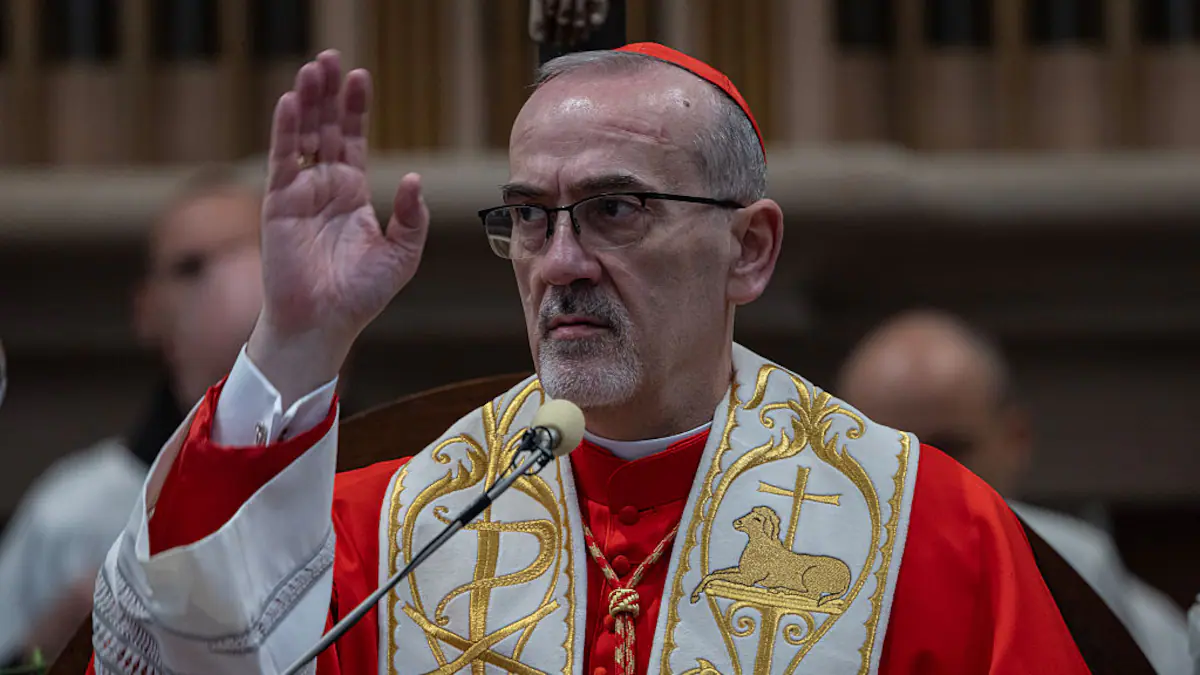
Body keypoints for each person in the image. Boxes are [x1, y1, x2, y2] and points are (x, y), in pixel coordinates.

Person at [86, 46, 1090, 675]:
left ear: (749, 249)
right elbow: (178, 651)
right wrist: (297, 342)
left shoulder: (925, 530)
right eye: (531, 217)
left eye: (614, 209)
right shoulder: (393, 534)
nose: (561, 262)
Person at [0, 169, 265, 666]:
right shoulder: (70, 518)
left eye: (255, 257)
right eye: (193, 268)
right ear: (146, 310)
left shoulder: (383, 476)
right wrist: (47, 651)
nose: (230, 286)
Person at [836, 308, 1189, 674]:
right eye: (890, 453)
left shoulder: (1076, 570)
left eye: (948, 450)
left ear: (1015, 439)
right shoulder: (817, 578)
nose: (922, 478)